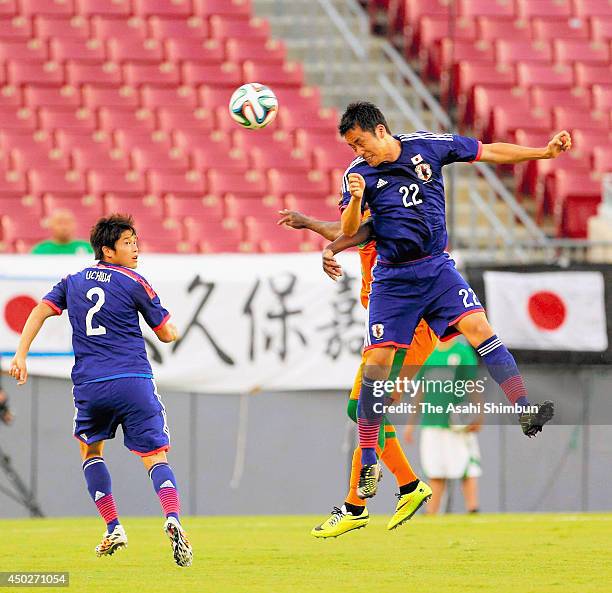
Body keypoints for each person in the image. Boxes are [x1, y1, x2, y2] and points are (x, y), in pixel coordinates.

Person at [329, 101, 566, 498]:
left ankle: (523, 406)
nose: (358, 152)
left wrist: (542, 152)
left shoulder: (429, 146)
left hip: (436, 268)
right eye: (352, 147)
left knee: (479, 328)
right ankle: (369, 462)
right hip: (393, 279)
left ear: (380, 130)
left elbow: (488, 150)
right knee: (378, 363)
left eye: (359, 142)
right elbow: (349, 230)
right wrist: (355, 200)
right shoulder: (357, 175)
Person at [10, 214, 192, 567]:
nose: (135, 247)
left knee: (90, 449)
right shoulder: (135, 282)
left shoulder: (73, 281)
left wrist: (21, 355)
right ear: (108, 251)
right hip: (134, 381)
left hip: (91, 385)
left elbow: (40, 311)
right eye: (127, 242)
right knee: (154, 457)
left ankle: (113, 526)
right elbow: (167, 333)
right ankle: (172, 517)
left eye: (135, 240)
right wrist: (177, 331)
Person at [278, 209, 436, 536]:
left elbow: (355, 231)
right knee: (360, 409)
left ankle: (355, 506)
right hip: (387, 326)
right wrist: (309, 223)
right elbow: (346, 230)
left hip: (409, 325)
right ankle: (408, 486)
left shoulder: (393, 215)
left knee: (368, 410)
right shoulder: (371, 221)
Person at [404, 339, 482, 514]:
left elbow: (472, 383)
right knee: (435, 469)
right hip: (431, 421)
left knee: (467, 468)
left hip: (457, 423)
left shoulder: (462, 352)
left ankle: (473, 509)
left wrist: (479, 413)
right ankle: (431, 512)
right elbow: (421, 389)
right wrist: (410, 424)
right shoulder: (428, 352)